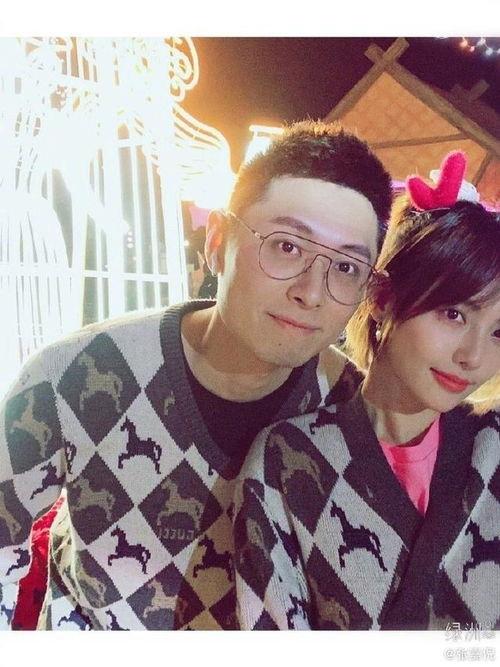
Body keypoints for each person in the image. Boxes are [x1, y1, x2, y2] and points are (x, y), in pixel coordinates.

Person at [0, 120, 392, 630]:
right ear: (217, 241)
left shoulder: (352, 410)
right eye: (287, 246)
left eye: (345, 268)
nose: (311, 292)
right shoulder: (75, 372)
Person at [233, 151, 500, 631]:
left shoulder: (493, 448)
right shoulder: (290, 461)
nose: (473, 356)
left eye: (499, 332)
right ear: (381, 298)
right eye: (453, 314)